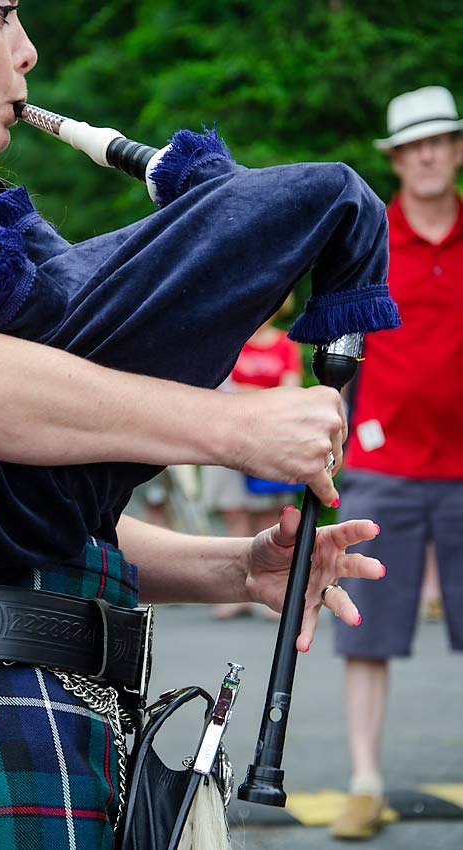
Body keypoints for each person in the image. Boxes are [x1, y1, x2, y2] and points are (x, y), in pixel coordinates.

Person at [0, 2, 395, 848]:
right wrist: (226, 426)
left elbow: (22, 509)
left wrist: (235, 570)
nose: (26, 52)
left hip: (22, 721)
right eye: (1, 13)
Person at [330, 85, 463, 841]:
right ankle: (363, 781)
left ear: (453, 149)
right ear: (396, 157)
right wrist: (344, 432)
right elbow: (338, 347)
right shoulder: (371, 236)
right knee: (366, 634)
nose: (426, 154)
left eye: (438, 141)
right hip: (386, 468)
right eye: (413, 145)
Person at [208, 304, 304, 619]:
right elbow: (220, 389)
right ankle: (235, 591)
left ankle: (268, 587)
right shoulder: (231, 341)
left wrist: (246, 394)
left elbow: (289, 392)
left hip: (269, 441)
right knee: (236, 516)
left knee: (270, 520)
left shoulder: (284, 345)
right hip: (229, 440)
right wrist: (263, 393)